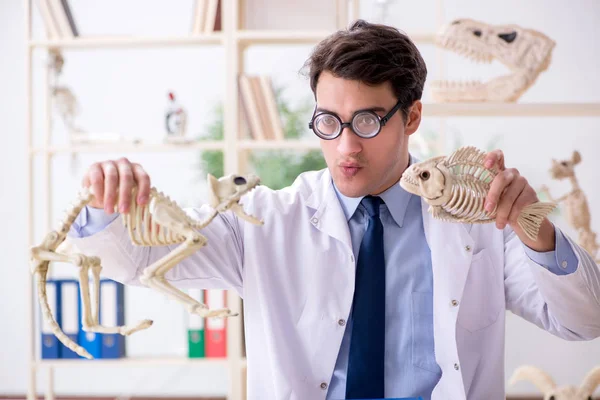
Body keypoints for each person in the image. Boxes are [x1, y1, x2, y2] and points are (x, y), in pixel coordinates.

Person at [66, 19, 600, 400]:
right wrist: (106, 206)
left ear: (411, 116)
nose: (345, 147)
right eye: (328, 121)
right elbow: (131, 261)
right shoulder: (266, 219)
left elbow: (583, 322)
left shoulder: (478, 220)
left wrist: (535, 230)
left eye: (367, 120)